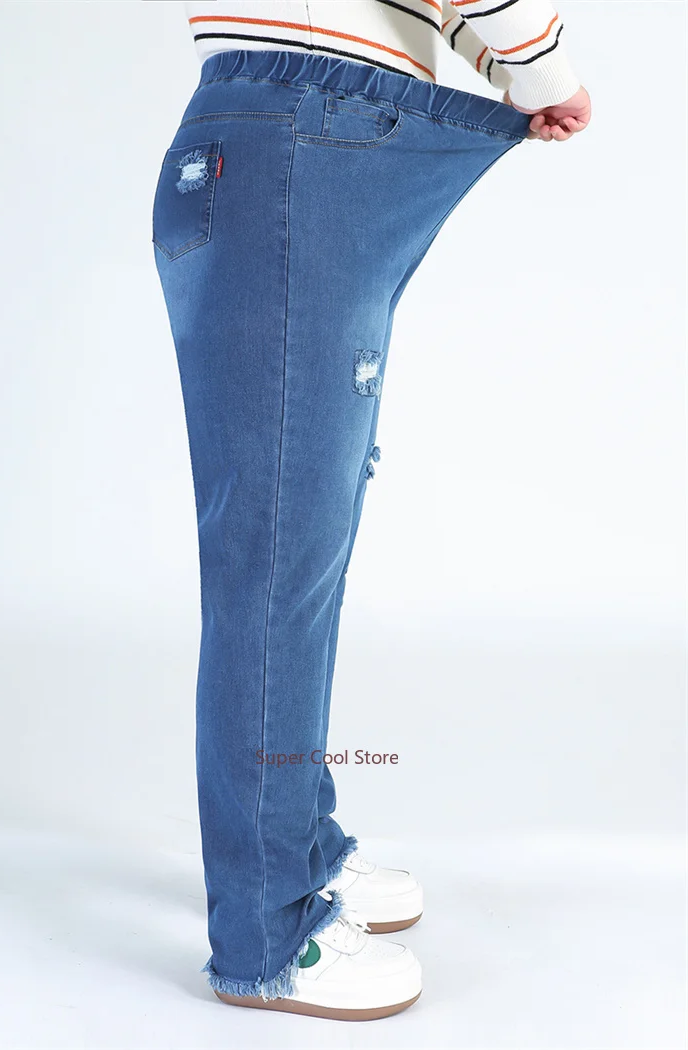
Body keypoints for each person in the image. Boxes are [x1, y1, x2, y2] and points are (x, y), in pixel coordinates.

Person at [152, 0, 590, 1024]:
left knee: (292, 538)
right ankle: (266, 933)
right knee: (280, 553)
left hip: (264, 125)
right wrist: (542, 74)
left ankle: (296, 849)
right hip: (308, 130)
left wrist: (498, 64)